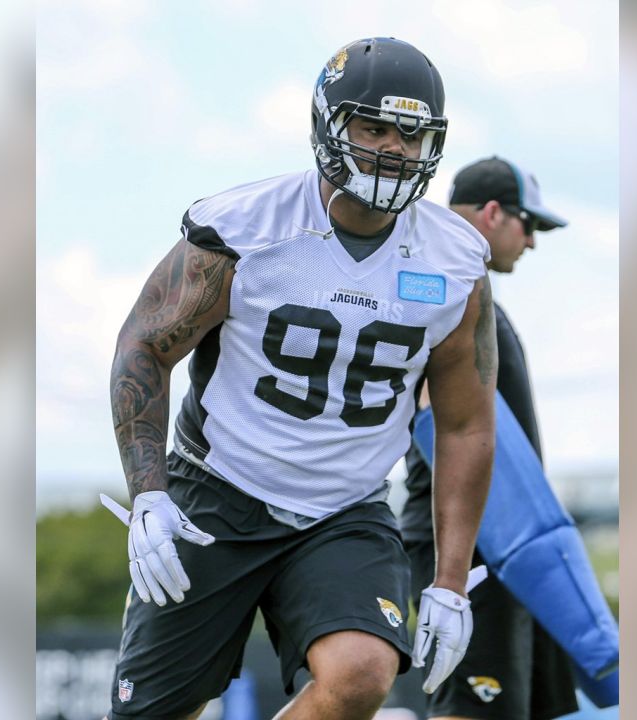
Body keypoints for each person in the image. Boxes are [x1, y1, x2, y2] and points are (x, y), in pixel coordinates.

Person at [104, 38, 498, 720]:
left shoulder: (456, 263)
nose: (392, 148)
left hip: (345, 509)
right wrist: (148, 495)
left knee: (363, 673)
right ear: (328, 125)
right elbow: (143, 348)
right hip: (216, 495)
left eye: (411, 133)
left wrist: (451, 583)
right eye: (372, 127)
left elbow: (465, 422)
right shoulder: (244, 230)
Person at [401, 156, 580, 720]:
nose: (531, 243)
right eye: (530, 226)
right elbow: (434, 424)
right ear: (495, 213)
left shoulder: (467, 297)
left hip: (512, 542)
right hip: (470, 544)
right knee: (474, 709)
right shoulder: (432, 292)